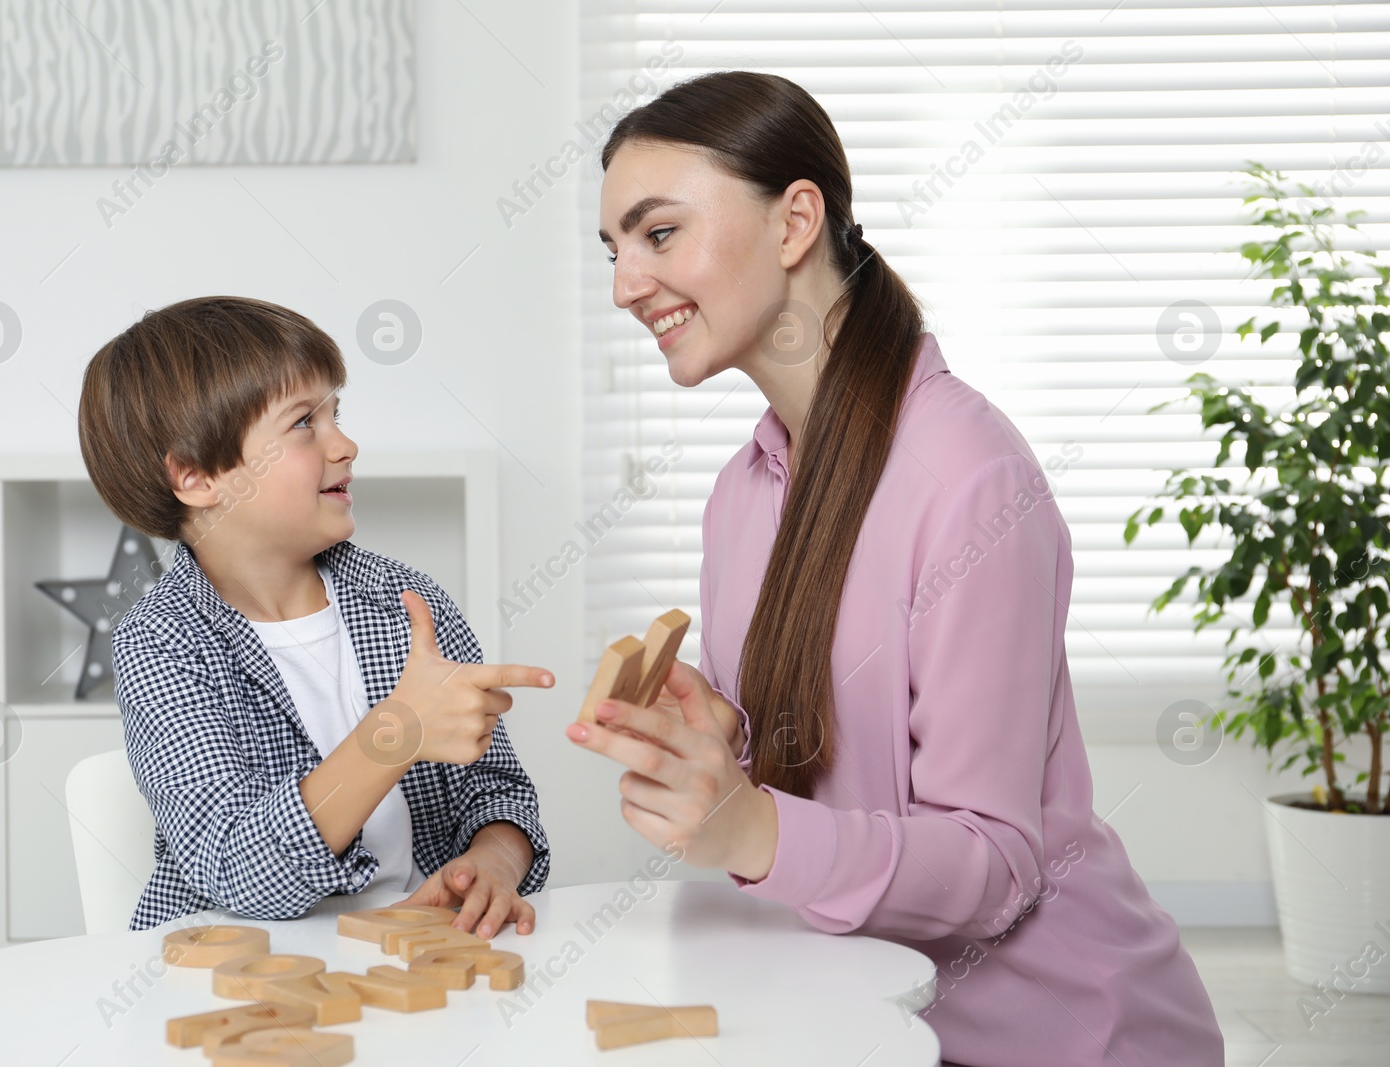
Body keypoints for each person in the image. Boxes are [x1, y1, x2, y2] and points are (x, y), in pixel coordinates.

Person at [569, 71, 1224, 1066]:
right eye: (612, 250)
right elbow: (842, 791)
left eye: (657, 234)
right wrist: (727, 748)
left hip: (1056, 1037)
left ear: (795, 221)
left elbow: (994, 865)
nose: (623, 283)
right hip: (861, 1011)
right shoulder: (741, 495)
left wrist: (747, 826)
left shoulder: (969, 475)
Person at [78, 295, 554, 935]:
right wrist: (396, 732)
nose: (347, 444)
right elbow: (234, 865)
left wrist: (492, 862)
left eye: (338, 414)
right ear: (195, 478)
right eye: (305, 423)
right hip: (245, 982)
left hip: (412, 959)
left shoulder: (405, 602)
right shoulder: (163, 643)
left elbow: (496, 791)